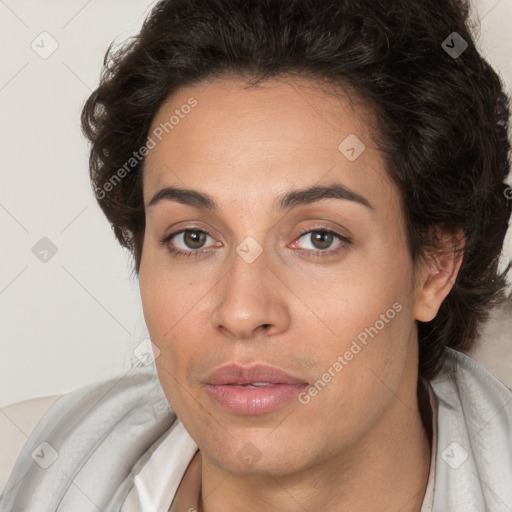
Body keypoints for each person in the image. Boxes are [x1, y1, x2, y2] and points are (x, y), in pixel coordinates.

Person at [1, 0, 512, 510]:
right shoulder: (23, 462)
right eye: (193, 238)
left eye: (319, 238)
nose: (242, 312)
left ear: (435, 266)